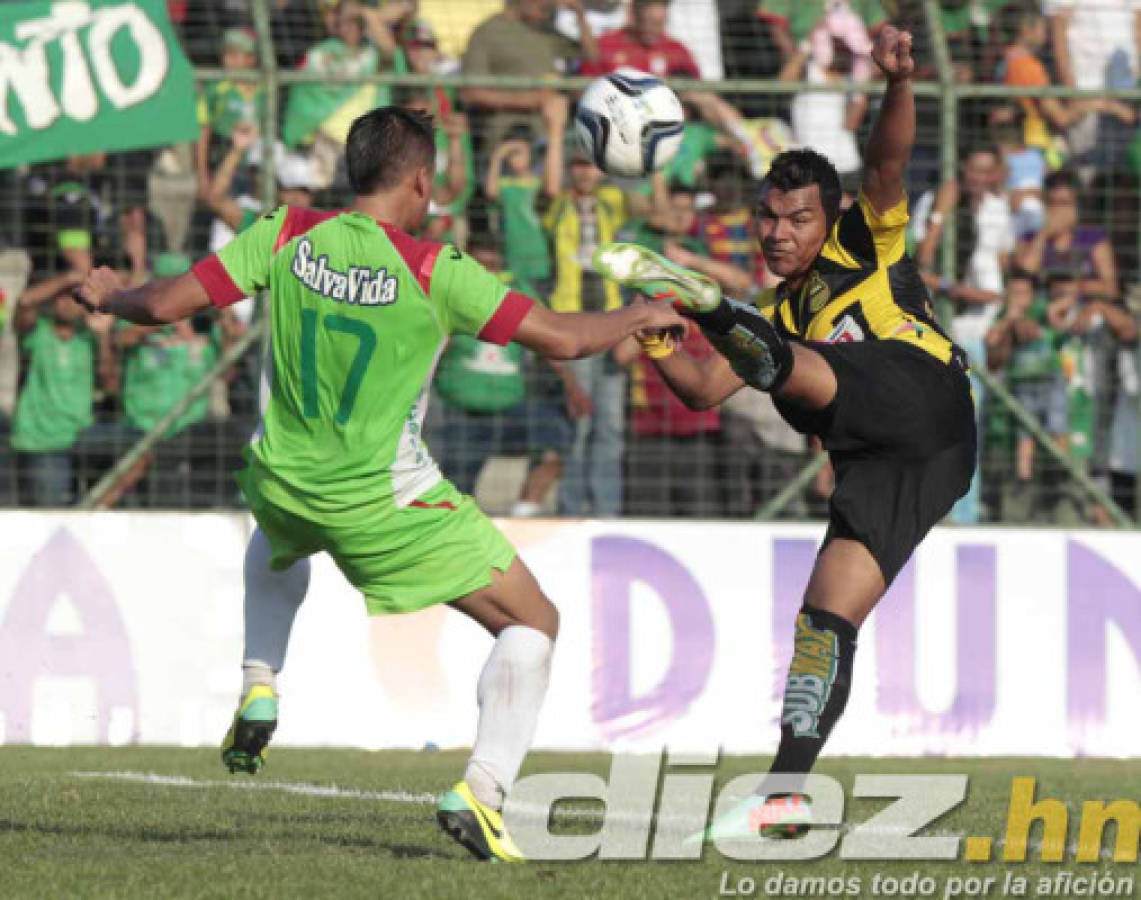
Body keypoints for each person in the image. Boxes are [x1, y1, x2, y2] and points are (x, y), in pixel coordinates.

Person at [75, 106, 685, 863]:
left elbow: (164, 305)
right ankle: (485, 793)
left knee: (276, 536)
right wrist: (637, 311)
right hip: (380, 500)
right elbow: (563, 339)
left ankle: (259, 678)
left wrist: (110, 296)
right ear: (423, 180)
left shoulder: (285, 231)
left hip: (283, 477)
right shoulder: (437, 269)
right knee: (532, 622)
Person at [595, 26, 976, 836]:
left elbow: (884, 161)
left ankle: (705, 301)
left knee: (795, 376)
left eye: (794, 220)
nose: (776, 234)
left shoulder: (863, 238)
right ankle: (785, 793)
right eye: (766, 219)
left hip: (922, 393)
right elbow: (701, 390)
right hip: (903, 460)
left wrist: (897, 81)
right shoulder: (773, 316)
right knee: (820, 627)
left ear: (826, 219)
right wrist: (659, 344)